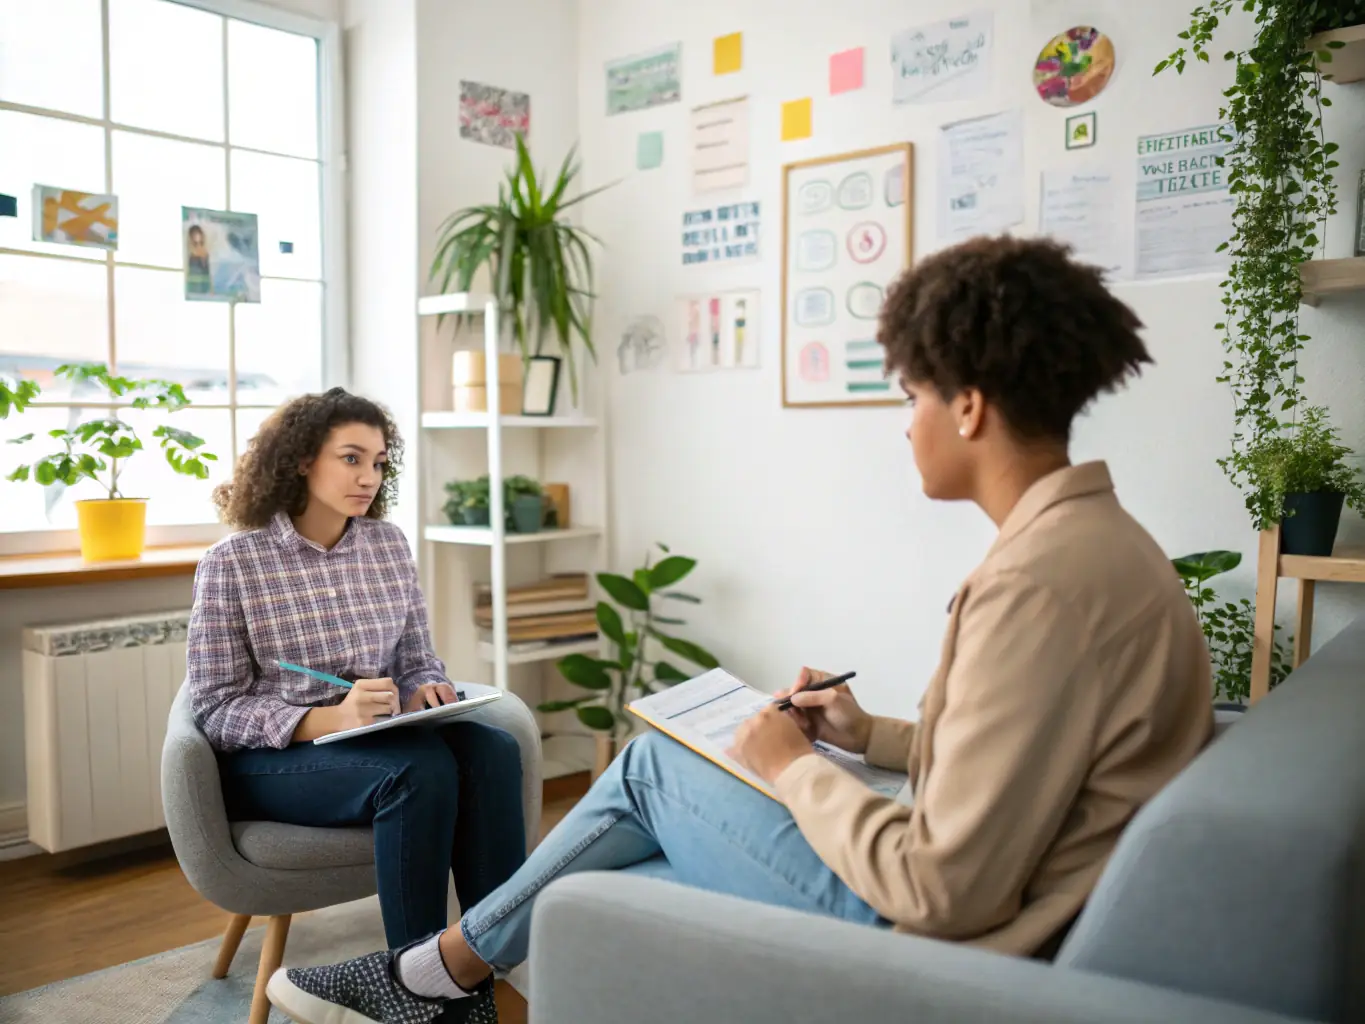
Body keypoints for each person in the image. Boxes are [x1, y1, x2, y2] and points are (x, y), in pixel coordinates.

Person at [266, 236, 1213, 1024]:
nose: (905, 425)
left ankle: (430, 977)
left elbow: (940, 891)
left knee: (649, 768)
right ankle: (445, 975)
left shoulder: (1033, 586)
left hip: (940, 940)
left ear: (967, 407)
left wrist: (792, 767)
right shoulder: (1102, 547)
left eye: (911, 396)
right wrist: (867, 737)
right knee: (655, 793)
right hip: (1014, 900)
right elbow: (1028, 762)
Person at [187, 387, 526, 966]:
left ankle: (490, 958)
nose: (368, 477)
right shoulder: (233, 562)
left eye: (379, 463)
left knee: (492, 750)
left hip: (374, 740)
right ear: (301, 460)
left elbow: (417, 658)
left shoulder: (387, 545)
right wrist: (330, 718)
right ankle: (415, 975)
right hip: (272, 762)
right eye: (351, 458)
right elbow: (214, 708)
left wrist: (424, 688)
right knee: (418, 771)